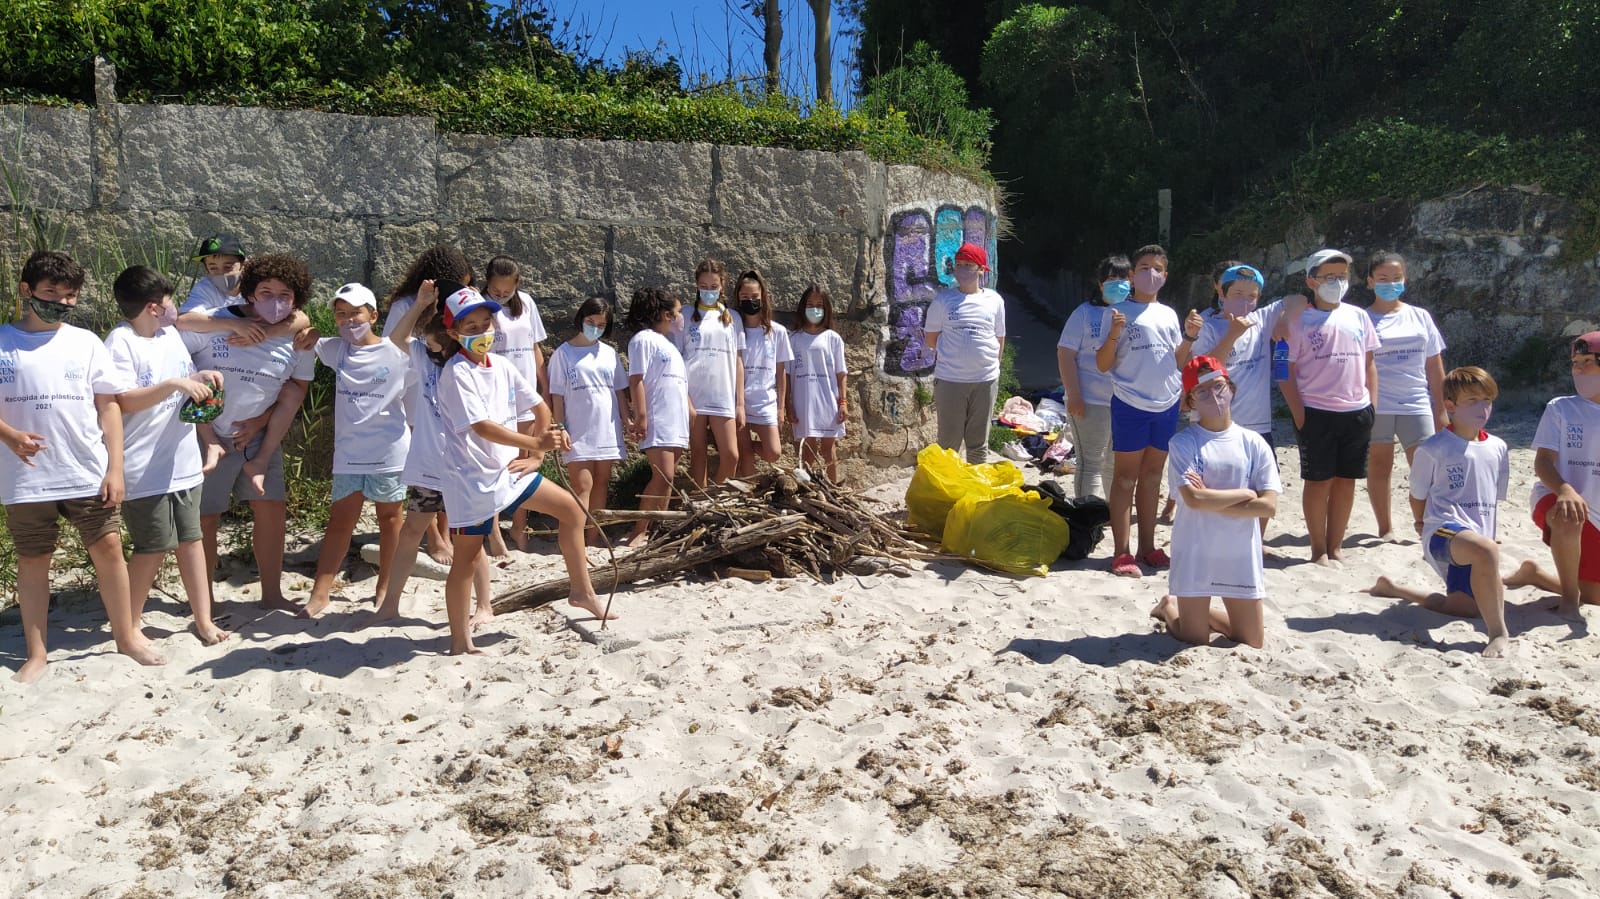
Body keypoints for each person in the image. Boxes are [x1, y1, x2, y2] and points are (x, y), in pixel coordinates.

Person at [0, 250, 165, 682]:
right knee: (34, 559)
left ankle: (126, 637)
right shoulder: (4, 340)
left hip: (85, 468)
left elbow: (108, 405)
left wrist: (116, 468)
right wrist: (10, 435)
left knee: (109, 548)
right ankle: (37, 654)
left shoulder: (86, 342)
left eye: (70, 295)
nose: (60, 301)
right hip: (25, 475)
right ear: (26, 291)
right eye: (50, 292)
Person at [436, 283, 613, 654]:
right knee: (466, 559)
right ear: (453, 332)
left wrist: (538, 452)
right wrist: (534, 443)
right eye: (471, 328)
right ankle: (459, 641)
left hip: (509, 471)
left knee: (570, 510)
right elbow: (482, 426)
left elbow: (540, 406)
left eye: (486, 324)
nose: (483, 332)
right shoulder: (455, 373)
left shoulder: (500, 364)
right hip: (472, 480)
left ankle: (581, 591)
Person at [181, 253, 315, 613]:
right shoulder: (217, 321)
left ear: (296, 298)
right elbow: (182, 352)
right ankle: (203, 600)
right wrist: (206, 428)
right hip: (209, 433)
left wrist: (262, 428)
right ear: (249, 293)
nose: (275, 301)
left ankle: (272, 594)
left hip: (259, 432)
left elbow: (294, 390)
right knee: (205, 517)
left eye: (284, 294)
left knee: (272, 508)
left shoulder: (298, 337)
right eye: (265, 291)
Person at [105, 265, 229, 646]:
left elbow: (187, 380)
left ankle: (203, 619)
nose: (174, 307)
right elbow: (122, 400)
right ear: (153, 307)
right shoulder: (121, 342)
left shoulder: (171, 337)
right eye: (169, 300)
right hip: (142, 464)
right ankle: (130, 623)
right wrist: (173, 384)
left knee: (192, 541)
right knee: (153, 545)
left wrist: (203, 377)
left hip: (182, 461)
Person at [369, 279, 493, 627]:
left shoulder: (470, 365)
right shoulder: (424, 359)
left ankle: (484, 605)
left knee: (470, 538)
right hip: (428, 465)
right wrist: (421, 304)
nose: (428, 347)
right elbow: (396, 338)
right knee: (412, 532)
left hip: (464, 466)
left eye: (434, 342)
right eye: (426, 343)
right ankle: (390, 605)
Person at [1366, 366, 1511, 657]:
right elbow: (1417, 496)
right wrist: (1421, 523)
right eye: (1472, 401)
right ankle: (1499, 634)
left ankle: (1393, 589)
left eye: (1487, 400)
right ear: (1450, 406)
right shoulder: (1434, 447)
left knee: (1465, 608)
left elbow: (1492, 500)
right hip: (1441, 531)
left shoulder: (1498, 447)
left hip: (1476, 539)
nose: (1482, 408)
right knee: (1485, 551)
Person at [1149, 355, 1279, 649]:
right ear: (1191, 401)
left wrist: (1213, 498)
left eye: (1219, 387)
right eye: (1202, 392)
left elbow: (1268, 506)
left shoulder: (1253, 442)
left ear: (1230, 387)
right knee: (1194, 638)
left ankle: (1193, 608)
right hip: (1196, 549)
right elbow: (1193, 500)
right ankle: (1169, 607)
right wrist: (1245, 494)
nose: (1214, 396)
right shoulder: (1183, 443)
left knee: (1251, 641)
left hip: (1239, 553)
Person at [301, 283, 411, 619]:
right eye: (341, 314)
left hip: (389, 451)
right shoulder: (336, 350)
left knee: (390, 520)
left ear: (373, 315)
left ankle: (385, 587)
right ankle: (320, 593)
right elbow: (298, 328)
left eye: (356, 313)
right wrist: (311, 328)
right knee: (340, 522)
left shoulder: (397, 351)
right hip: (349, 454)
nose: (349, 320)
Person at [1279, 248, 1380, 565]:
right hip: (1315, 413)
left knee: (1346, 481)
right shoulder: (1297, 321)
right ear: (1311, 281)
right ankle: (1318, 549)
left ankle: (1336, 546)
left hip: (1356, 411)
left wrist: (1371, 405)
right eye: (1329, 277)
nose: (1337, 282)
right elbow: (1283, 369)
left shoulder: (1358, 315)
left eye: (1342, 276)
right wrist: (1298, 412)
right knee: (1318, 481)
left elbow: (1369, 363)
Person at [380, 244, 477, 563]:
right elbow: (393, 344)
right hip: (414, 389)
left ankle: (447, 531)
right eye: (459, 283)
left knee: (448, 460)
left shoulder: (457, 305)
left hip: (447, 391)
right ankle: (433, 537)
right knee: (425, 467)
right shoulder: (407, 304)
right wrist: (423, 305)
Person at [1095, 244, 1181, 577]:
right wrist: (1115, 334)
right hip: (1130, 404)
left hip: (1167, 404)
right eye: (1144, 267)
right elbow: (1103, 364)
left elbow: (1178, 360)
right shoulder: (1116, 313)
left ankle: (1148, 546)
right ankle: (1121, 551)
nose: (1151, 274)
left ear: (1165, 275)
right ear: (1132, 275)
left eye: (1157, 268)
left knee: (1152, 477)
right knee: (1125, 478)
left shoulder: (1169, 314)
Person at [1502, 332, 1600, 619]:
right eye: (1575, 362)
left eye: (1588, 362)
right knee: (1568, 514)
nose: (1579, 369)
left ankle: (1534, 574)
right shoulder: (1561, 408)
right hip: (1559, 498)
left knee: (1595, 596)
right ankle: (1569, 599)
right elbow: (1543, 462)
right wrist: (1565, 490)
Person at [1364, 251, 1447, 539]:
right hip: (1379, 404)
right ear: (1370, 281)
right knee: (1380, 465)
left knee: (1426, 467)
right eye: (1383, 278)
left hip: (1417, 402)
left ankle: (1426, 524)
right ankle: (1385, 528)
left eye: (1396, 278)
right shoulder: (1362, 318)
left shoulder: (1420, 316)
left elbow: (1435, 367)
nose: (1390, 283)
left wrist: (1443, 408)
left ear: (1405, 279)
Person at [548, 296, 632, 545]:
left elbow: (619, 390)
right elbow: (557, 395)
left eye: (601, 323)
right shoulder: (563, 354)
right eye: (590, 321)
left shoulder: (608, 353)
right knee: (582, 483)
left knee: (602, 482)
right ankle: (575, 538)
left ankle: (594, 536)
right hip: (577, 428)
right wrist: (560, 426)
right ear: (581, 319)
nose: (595, 327)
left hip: (606, 426)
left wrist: (627, 420)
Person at [925, 243, 1006, 465]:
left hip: (985, 380)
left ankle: (976, 495)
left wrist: (992, 369)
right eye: (959, 265)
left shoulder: (995, 301)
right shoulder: (943, 301)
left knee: (978, 444)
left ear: (981, 269)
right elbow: (931, 340)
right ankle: (947, 494)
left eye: (968, 265)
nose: (962, 270)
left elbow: (1000, 337)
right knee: (948, 444)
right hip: (951, 380)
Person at [625, 287, 692, 547]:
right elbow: (636, 379)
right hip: (658, 416)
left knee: (669, 477)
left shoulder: (671, 345)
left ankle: (656, 529)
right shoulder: (643, 339)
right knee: (662, 474)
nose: (680, 317)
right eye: (677, 312)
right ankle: (638, 530)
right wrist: (641, 416)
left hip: (676, 418)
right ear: (666, 314)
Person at [1055, 256, 1122, 499]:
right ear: (1100, 283)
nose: (1118, 284)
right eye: (1112, 279)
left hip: (1124, 403)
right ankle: (1088, 518)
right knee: (1091, 463)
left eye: (1123, 278)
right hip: (1090, 400)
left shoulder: (1133, 314)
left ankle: (1109, 516)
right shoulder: (1084, 313)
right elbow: (1065, 353)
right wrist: (1074, 394)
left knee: (1114, 465)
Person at [678, 258, 745, 486]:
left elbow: (737, 361)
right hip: (694, 395)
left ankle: (718, 500)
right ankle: (700, 503)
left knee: (731, 455)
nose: (709, 291)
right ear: (696, 285)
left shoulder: (733, 318)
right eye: (704, 286)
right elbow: (677, 357)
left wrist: (740, 403)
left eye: (713, 286)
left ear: (722, 285)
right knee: (698, 455)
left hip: (722, 395)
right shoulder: (685, 315)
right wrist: (684, 396)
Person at [786, 284, 848, 484]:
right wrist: (788, 404)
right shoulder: (793, 339)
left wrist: (843, 402)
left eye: (819, 305)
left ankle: (833, 491)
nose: (815, 309)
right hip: (804, 402)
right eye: (810, 304)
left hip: (827, 402)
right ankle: (808, 489)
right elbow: (787, 374)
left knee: (828, 450)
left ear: (826, 308)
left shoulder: (833, 339)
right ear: (803, 307)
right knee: (808, 451)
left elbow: (841, 374)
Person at [734, 269, 792, 477]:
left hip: (766, 401)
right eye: (745, 297)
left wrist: (781, 407)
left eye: (754, 297)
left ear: (763, 297)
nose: (750, 301)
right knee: (745, 456)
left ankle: (747, 448)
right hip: (740, 402)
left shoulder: (777, 332)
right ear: (738, 298)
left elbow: (781, 372)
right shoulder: (734, 330)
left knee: (773, 452)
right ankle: (746, 492)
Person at [180, 234, 247, 312]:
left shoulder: (258, 285)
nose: (222, 273)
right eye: (213, 268)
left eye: (228, 267)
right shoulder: (204, 288)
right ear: (207, 269)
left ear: (243, 265)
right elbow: (185, 319)